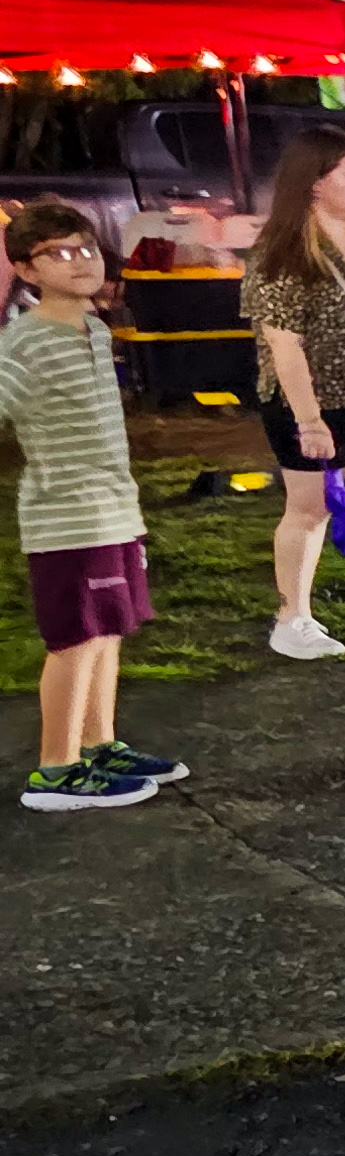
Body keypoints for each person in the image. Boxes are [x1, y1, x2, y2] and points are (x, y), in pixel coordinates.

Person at [3, 202, 184, 811]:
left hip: (112, 508)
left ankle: (98, 745)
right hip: (65, 516)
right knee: (74, 640)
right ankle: (55, 770)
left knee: (108, 629)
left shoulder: (95, 328)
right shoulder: (26, 341)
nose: (80, 261)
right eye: (60, 252)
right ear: (27, 269)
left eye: (86, 248)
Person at [244, 125, 345, 661]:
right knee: (307, 509)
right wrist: (310, 420)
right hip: (307, 402)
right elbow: (285, 347)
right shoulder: (281, 254)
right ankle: (291, 617)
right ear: (315, 184)